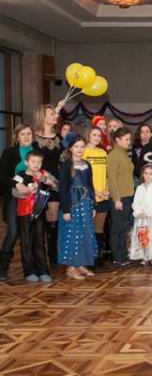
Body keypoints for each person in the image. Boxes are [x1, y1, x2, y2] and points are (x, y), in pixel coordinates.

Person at [12, 150, 57, 282]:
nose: (36, 164)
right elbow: (14, 192)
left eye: (39, 162)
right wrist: (27, 190)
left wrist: (47, 180)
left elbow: (57, 185)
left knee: (39, 240)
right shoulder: (19, 176)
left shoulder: (43, 174)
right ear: (26, 162)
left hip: (39, 212)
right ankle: (29, 271)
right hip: (24, 213)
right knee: (26, 241)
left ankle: (43, 270)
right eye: (33, 161)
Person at [58, 134, 97, 280]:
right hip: (72, 203)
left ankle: (81, 263)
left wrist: (94, 205)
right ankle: (71, 267)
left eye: (82, 146)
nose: (79, 149)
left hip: (86, 203)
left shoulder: (87, 164)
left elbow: (90, 185)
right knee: (73, 233)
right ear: (70, 148)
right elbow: (63, 189)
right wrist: (66, 210)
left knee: (85, 232)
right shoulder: (66, 165)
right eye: (76, 146)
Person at [0, 124, 35, 280]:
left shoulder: (38, 152)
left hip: (32, 198)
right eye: (23, 134)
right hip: (14, 198)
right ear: (17, 137)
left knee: (30, 235)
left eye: (29, 133)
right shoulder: (9, 153)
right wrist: (16, 184)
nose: (26, 137)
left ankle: (30, 269)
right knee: (13, 232)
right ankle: (2, 267)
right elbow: (2, 177)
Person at [33, 100, 65, 268]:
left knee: (53, 218)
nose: (55, 116)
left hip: (55, 183)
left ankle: (53, 255)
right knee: (38, 221)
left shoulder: (58, 138)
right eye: (51, 114)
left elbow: (63, 159)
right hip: (38, 183)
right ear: (43, 117)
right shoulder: (33, 138)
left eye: (55, 113)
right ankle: (39, 256)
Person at [107, 127, 135, 269]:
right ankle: (117, 257)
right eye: (126, 139)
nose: (128, 142)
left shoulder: (123, 154)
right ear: (117, 140)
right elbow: (112, 178)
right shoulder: (113, 156)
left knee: (124, 227)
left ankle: (124, 256)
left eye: (129, 139)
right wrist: (116, 199)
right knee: (117, 227)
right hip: (120, 197)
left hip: (127, 196)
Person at [82, 126, 109, 267]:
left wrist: (106, 188)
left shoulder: (103, 152)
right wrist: (95, 192)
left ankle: (97, 258)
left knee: (99, 228)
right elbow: (82, 177)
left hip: (102, 197)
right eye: (94, 135)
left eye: (99, 135)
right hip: (88, 196)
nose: (97, 138)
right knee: (88, 229)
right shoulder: (83, 152)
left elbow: (107, 174)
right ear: (88, 135)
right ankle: (87, 259)